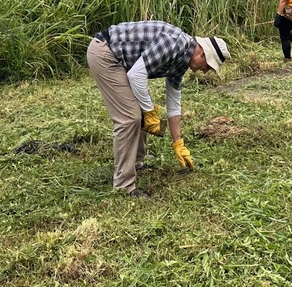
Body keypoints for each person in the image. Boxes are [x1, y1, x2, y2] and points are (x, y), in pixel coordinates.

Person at [86, 20, 230, 198]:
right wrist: (150, 112)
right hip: (105, 54)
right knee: (130, 118)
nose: (205, 71)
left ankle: (136, 162)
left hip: (122, 60)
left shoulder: (182, 59)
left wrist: (178, 142)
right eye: (208, 66)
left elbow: (173, 99)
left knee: (140, 111)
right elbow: (136, 75)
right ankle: (124, 186)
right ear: (201, 54)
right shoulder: (174, 44)